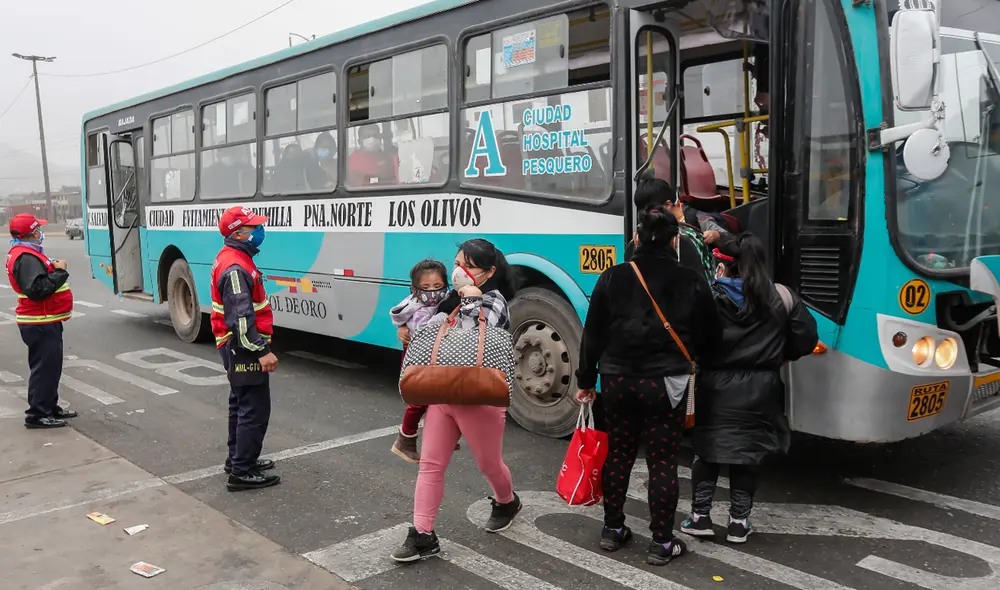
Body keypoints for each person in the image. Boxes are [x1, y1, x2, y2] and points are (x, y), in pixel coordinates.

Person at [575, 206, 721, 566]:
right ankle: (661, 541)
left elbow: (592, 334)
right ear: (675, 240)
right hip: (665, 384)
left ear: (637, 238)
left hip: (617, 381)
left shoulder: (612, 277)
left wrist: (586, 380)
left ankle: (612, 530)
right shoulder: (691, 280)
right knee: (662, 461)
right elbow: (711, 338)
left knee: (620, 453)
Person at [680, 233, 818, 544]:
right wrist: (780, 356)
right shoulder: (781, 296)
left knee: (707, 451)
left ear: (723, 265)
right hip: (761, 387)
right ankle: (739, 523)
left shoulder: (708, 297)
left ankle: (700, 517)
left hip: (714, 385)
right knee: (746, 454)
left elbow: (689, 337)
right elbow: (806, 338)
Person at [392, 238, 521, 563]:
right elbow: (431, 331)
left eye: (470, 265)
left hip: (479, 395)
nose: (459, 271)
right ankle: (422, 534)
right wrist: (407, 328)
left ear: (489, 272)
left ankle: (507, 501)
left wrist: (470, 301)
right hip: (443, 393)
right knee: (431, 465)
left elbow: (477, 332)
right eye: (458, 262)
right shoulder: (448, 300)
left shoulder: (494, 301)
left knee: (488, 464)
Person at [210, 206, 281, 492]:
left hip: (233, 345)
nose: (260, 231)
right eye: (254, 227)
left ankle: (238, 459)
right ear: (239, 233)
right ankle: (242, 471)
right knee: (254, 408)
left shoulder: (234, 258)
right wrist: (261, 351)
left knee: (239, 403)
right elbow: (241, 320)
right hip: (242, 346)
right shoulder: (236, 268)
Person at [5, 213, 77, 429]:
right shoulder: (26, 257)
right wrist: (61, 271)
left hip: (45, 319)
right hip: (39, 321)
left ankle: (49, 406)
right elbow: (37, 289)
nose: (41, 233)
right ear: (34, 232)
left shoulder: (27, 254)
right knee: (44, 368)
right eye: (39, 229)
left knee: (51, 367)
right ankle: (37, 414)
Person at [390, 259, 461, 463]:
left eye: (437, 287)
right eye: (426, 287)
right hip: (419, 355)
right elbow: (405, 321)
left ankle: (443, 436)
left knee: (440, 397)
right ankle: (405, 438)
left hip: (437, 355)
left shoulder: (447, 300)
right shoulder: (415, 307)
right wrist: (402, 329)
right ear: (415, 289)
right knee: (420, 400)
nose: (432, 292)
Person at [630, 177, 717, 283]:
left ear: (667, 205)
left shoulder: (697, 219)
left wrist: (717, 235)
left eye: (651, 210)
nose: (646, 215)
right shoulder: (643, 236)